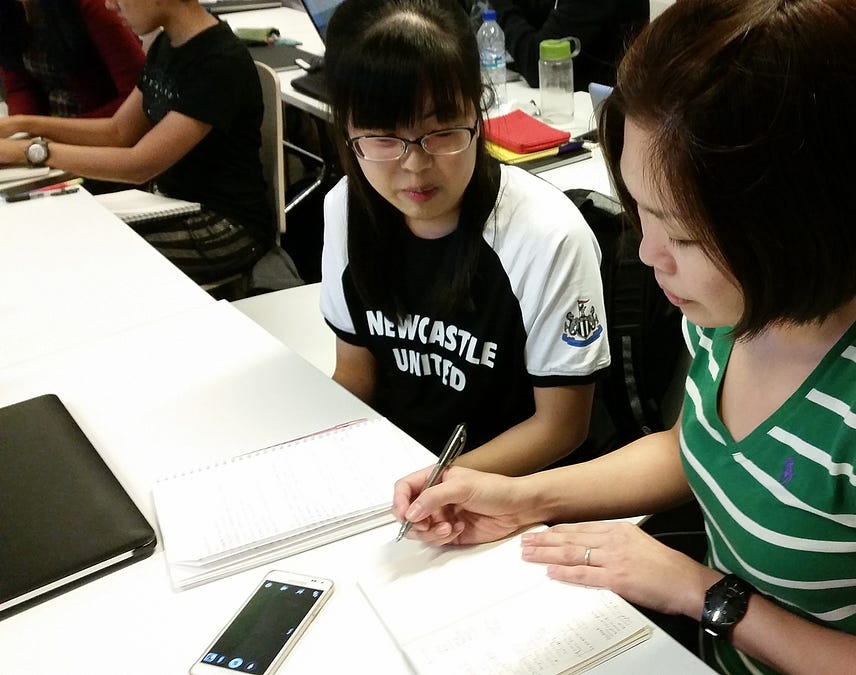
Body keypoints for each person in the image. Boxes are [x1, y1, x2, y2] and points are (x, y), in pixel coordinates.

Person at [393, 0, 856, 672]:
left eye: (685, 236)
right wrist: (522, 498)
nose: (648, 255)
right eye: (643, 213)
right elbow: (698, 444)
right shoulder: (739, 301)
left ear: (807, 218)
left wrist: (704, 592)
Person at [318, 0, 610, 475]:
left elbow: (561, 427)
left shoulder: (548, 236)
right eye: (383, 137)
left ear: (478, 111)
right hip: (400, 472)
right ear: (347, 132)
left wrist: (439, 485)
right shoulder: (345, 208)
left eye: (442, 131)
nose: (415, 164)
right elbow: (355, 374)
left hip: (515, 487)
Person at [0, 0, 271, 286]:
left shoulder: (219, 62)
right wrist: (22, 125)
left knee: (73, 262)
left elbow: (139, 165)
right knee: (51, 237)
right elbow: (117, 131)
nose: (110, 5)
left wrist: (30, 151)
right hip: (173, 205)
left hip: (226, 227)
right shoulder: (168, 43)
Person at [0, 0, 144, 119]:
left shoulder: (94, 6)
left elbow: (139, 96)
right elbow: (19, 86)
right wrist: (24, 131)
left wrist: (46, 130)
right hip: (51, 131)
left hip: (105, 127)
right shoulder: (9, 12)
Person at [485, 0, 648, 88]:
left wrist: (500, 6)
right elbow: (540, 12)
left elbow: (537, 65)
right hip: (575, 102)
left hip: (600, 114)